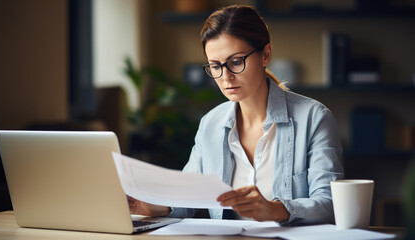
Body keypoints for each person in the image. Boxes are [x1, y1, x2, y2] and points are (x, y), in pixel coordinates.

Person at [128, 5, 344, 225]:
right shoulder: (210, 124)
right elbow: (188, 199)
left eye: (236, 62)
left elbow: (330, 204)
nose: (226, 77)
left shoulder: (314, 118)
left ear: (265, 54)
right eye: (215, 66)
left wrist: (276, 209)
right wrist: (157, 207)